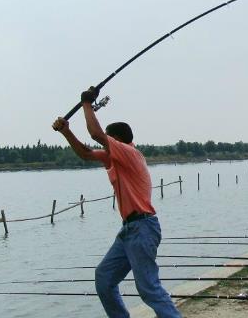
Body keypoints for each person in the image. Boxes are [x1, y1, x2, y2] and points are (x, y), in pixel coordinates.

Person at [53, 86, 181, 318]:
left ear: (118, 141)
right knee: (104, 279)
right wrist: (66, 132)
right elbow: (85, 153)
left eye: (107, 142)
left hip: (143, 228)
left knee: (148, 289)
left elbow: (95, 134)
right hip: (129, 230)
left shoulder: (129, 154)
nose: (103, 146)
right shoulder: (113, 157)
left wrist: (86, 104)